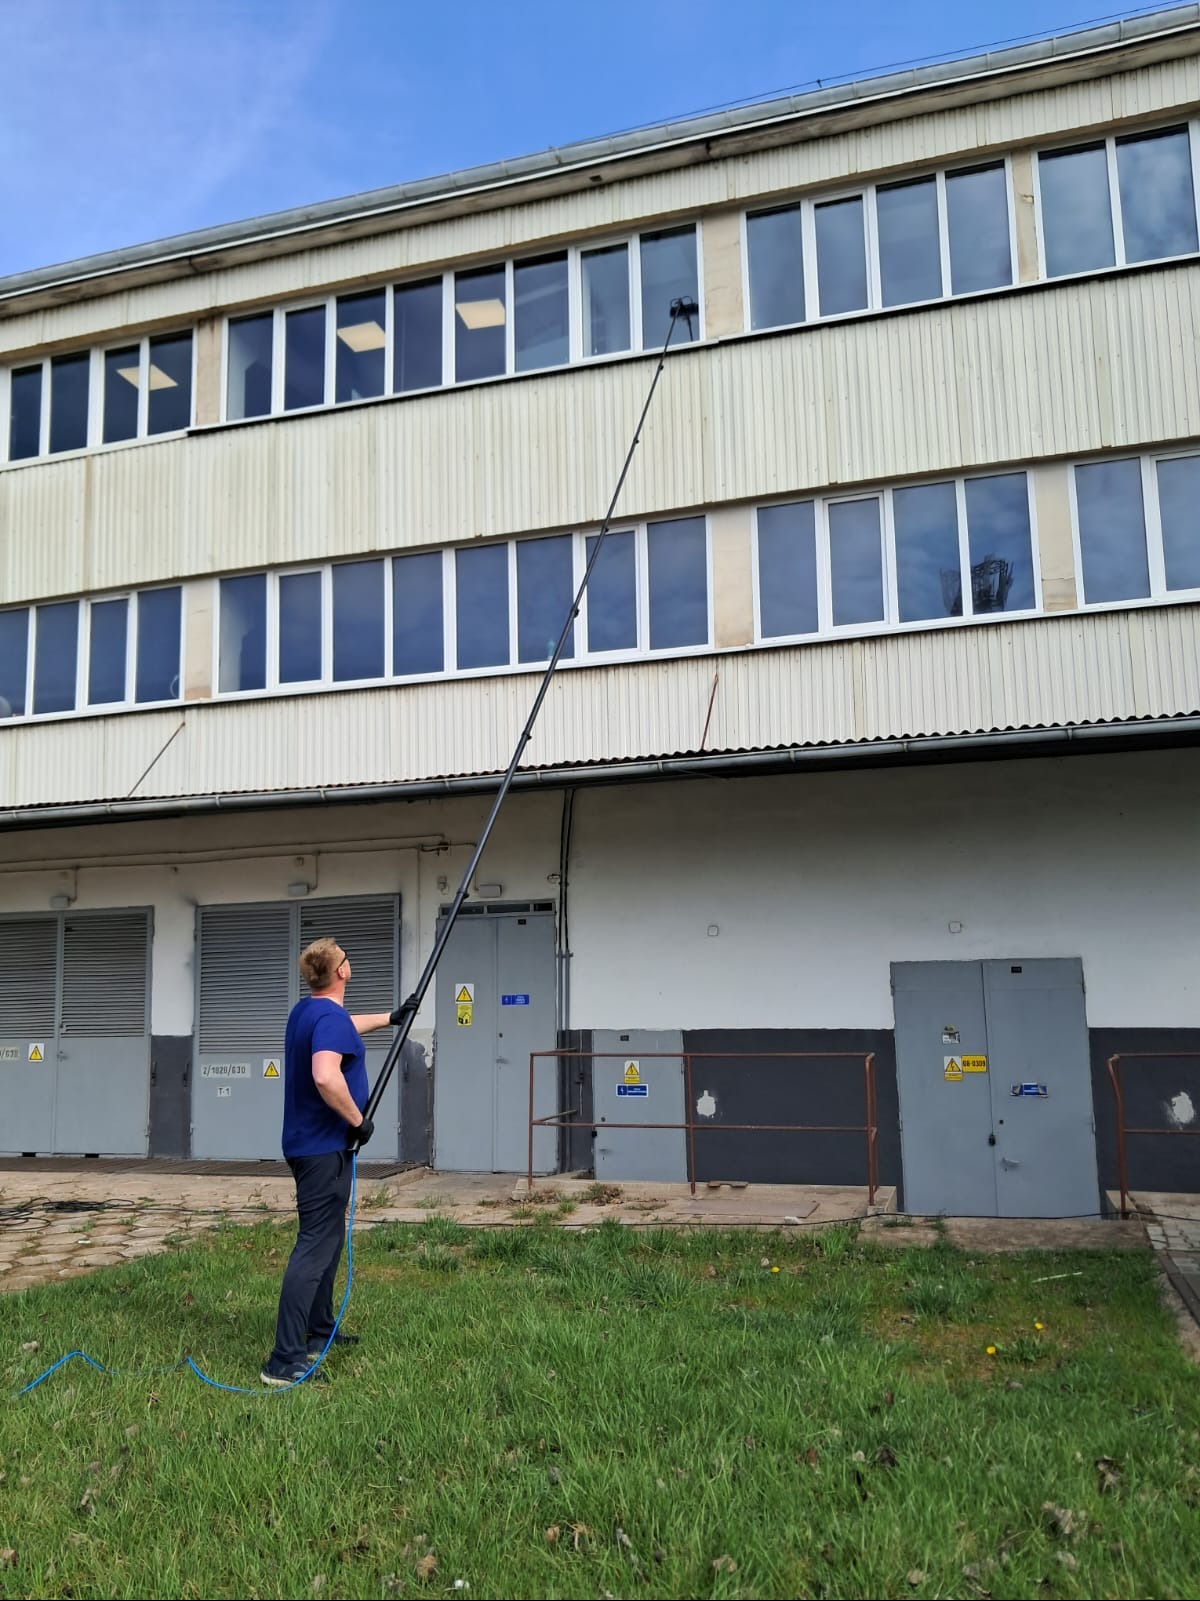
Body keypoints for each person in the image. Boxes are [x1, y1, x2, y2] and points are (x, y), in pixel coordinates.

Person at [261, 936, 404, 1387]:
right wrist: (357, 1121)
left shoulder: (309, 1011)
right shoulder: (326, 1017)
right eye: (346, 956)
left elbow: (343, 1024)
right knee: (314, 1246)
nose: (350, 959)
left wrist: (391, 1018)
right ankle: (283, 1360)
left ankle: (320, 1331)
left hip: (311, 1145)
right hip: (323, 1149)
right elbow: (326, 1075)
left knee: (328, 1241)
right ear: (341, 972)